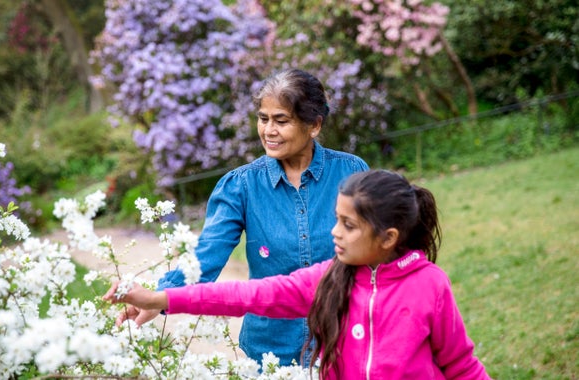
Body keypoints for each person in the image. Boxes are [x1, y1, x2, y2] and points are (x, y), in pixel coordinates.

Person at [104, 170, 491, 379]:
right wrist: (161, 299)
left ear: (388, 237)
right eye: (336, 220)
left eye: (348, 225)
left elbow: (461, 365)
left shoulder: (429, 285)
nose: (334, 233)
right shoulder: (328, 279)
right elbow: (248, 296)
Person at [120, 68, 369, 366]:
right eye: (263, 119)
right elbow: (205, 256)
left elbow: (376, 252)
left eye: (281, 120)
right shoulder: (240, 186)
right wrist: (159, 299)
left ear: (314, 125)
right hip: (270, 351)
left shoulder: (351, 173)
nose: (268, 131)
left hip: (344, 343)